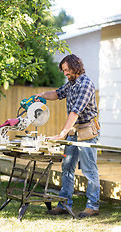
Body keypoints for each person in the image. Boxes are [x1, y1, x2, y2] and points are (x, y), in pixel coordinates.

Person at [35, 54, 100, 218]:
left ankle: (92, 206)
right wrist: (42, 94)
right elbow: (57, 94)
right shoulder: (71, 84)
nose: (65, 73)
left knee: (89, 170)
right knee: (67, 168)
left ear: (75, 67)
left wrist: (62, 133)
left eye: (66, 70)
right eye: (63, 70)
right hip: (74, 131)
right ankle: (64, 204)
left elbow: (75, 112)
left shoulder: (86, 84)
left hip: (87, 131)